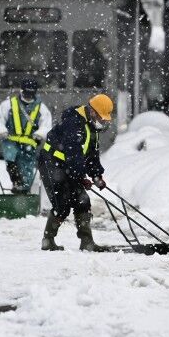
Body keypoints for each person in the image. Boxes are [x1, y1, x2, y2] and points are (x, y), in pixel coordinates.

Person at [37, 94, 114, 252]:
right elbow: (74, 153)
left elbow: (91, 155)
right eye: (101, 118)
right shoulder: (73, 123)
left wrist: (96, 176)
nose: (102, 122)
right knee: (62, 203)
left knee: (82, 201)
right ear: (92, 112)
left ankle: (87, 242)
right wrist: (80, 177)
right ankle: (48, 240)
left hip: (68, 166)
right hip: (51, 163)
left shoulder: (92, 128)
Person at [0, 78, 52, 194]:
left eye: (31, 93)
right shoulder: (8, 104)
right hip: (11, 140)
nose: (28, 96)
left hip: (30, 143)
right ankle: (17, 183)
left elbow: (46, 124)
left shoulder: (41, 107)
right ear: (21, 91)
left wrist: (39, 135)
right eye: (26, 93)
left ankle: (24, 190)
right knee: (11, 157)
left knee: (27, 167)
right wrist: (2, 131)